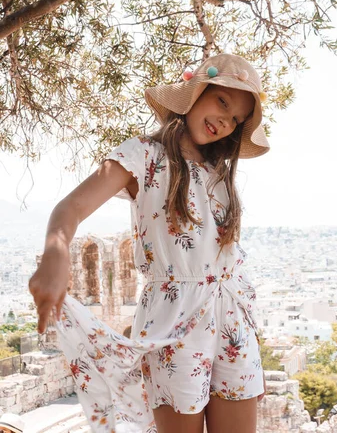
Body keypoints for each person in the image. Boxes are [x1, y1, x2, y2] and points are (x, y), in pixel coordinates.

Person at [29, 53, 270, 433]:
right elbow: (71, 206)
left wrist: (249, 345)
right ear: (194, 92)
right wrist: (55, 255)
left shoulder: (219, 175)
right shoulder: (143, 155)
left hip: (232, 320)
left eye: (237, 119)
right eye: (223, 102)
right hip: (173, 321)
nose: (226, 120)